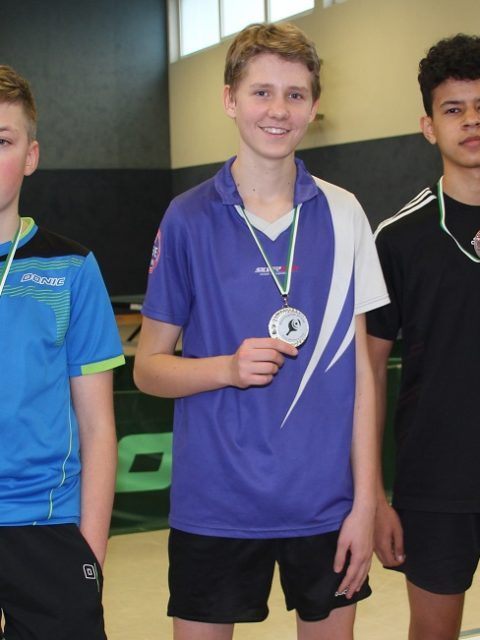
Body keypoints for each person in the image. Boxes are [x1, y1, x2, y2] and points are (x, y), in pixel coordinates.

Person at [134, 22, 389, 640]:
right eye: (261, 92)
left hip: (325, 508)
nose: (278, 110)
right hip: (214, 507)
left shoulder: (345, 212)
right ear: (229, 99)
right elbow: (148, 369)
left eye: (295, 94)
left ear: (314, 106)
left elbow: (362, 374)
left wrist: (366, 502)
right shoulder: (187, 218)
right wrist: (225, 368)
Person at [0, 65, 124, 639]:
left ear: (31, 155)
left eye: (3, 141)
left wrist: (90, 550)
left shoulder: (72, 267)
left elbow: (98, 425)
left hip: (47, 524)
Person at [367, 34, 480, 640]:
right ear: (429, 127)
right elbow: (367, 374)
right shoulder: (397, 239)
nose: (471, 121)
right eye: (453, 109)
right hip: (436, 485)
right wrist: (375, 496)